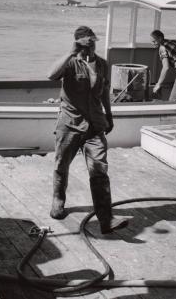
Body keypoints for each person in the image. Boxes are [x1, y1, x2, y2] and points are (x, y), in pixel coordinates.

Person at [47, 26, 129, 234]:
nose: (90, 45)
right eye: (85, 42)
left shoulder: (102, 64)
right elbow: (51, 75)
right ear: (77, 43)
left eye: (93, 41)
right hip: (70, 123)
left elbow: (103, 93)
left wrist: (109, 116)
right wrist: (70, 51)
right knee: (61, 164)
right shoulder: (71, 62)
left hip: (94, 125)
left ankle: (106, 219)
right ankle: (58, 199)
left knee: (99, 169)